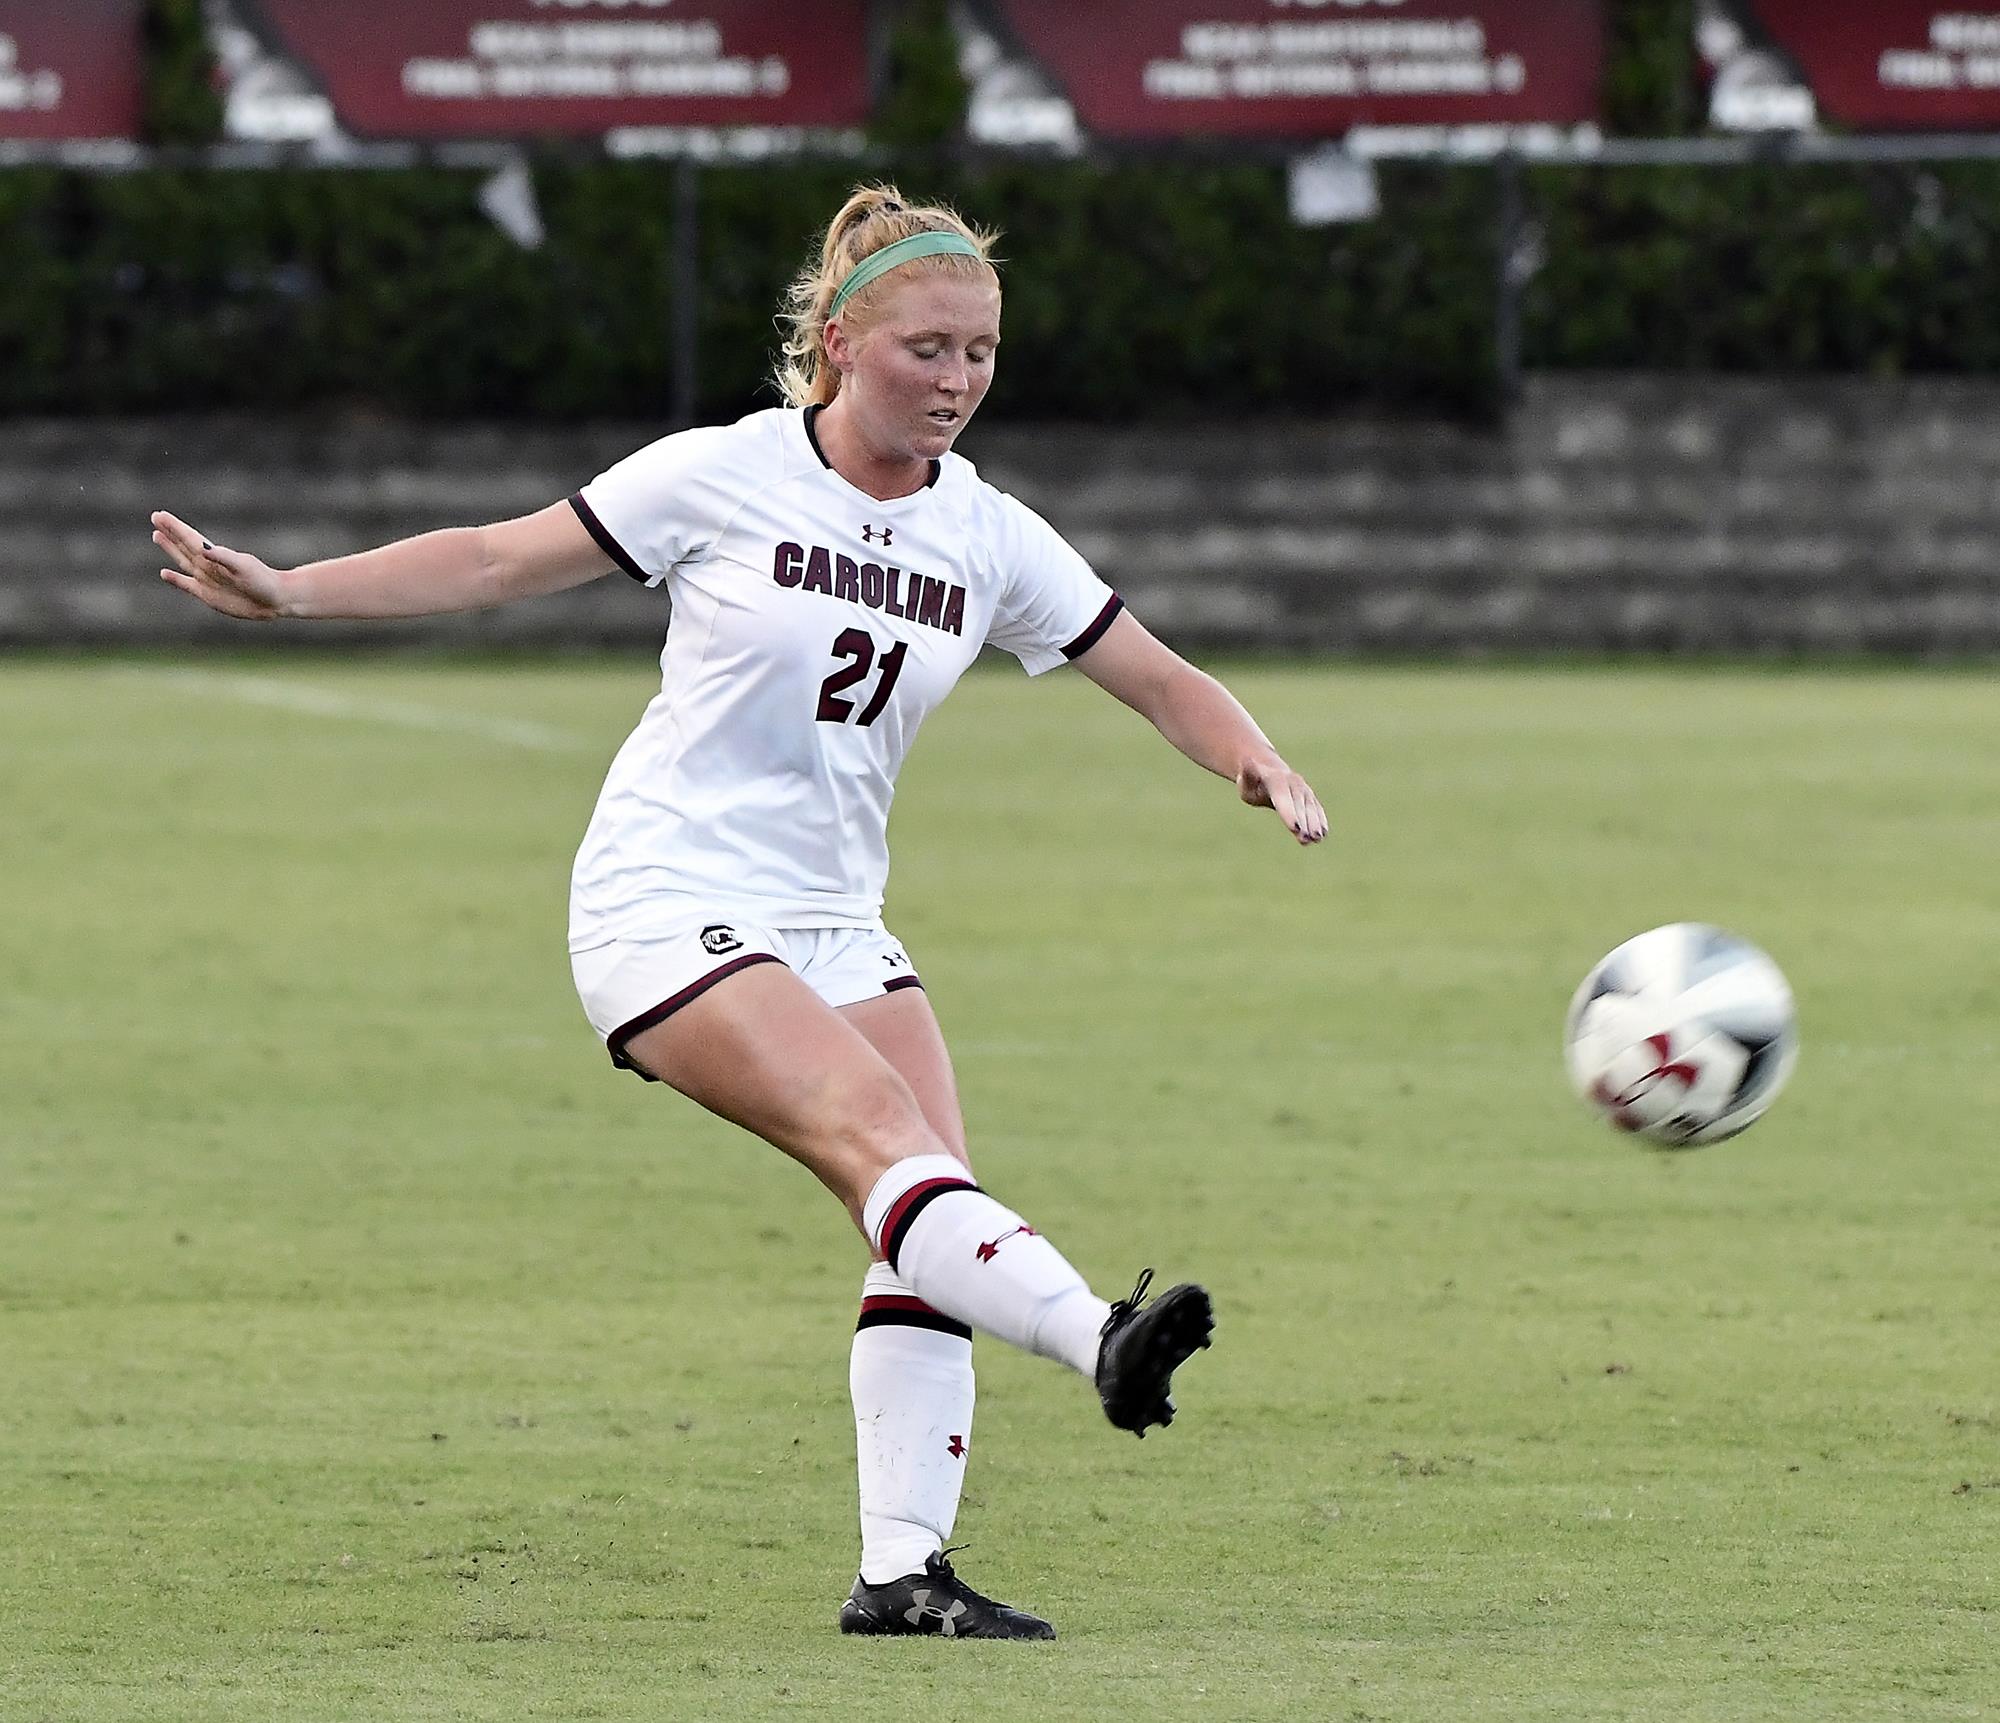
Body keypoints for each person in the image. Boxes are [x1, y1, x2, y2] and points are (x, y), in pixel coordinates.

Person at [151, 183, 1327, 1640]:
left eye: (980, 352)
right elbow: (497, 556)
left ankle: (905, 1572)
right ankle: (1098, 1335)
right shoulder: (727, 472)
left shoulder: (989, 534)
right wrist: (294, 591)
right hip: (667, 895)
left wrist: (1255, 755)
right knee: (892, 1147)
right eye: (926, 349)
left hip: (834, 917)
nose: (957, 380)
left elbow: (1154, 671)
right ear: (841, 340)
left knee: (924, 1210)